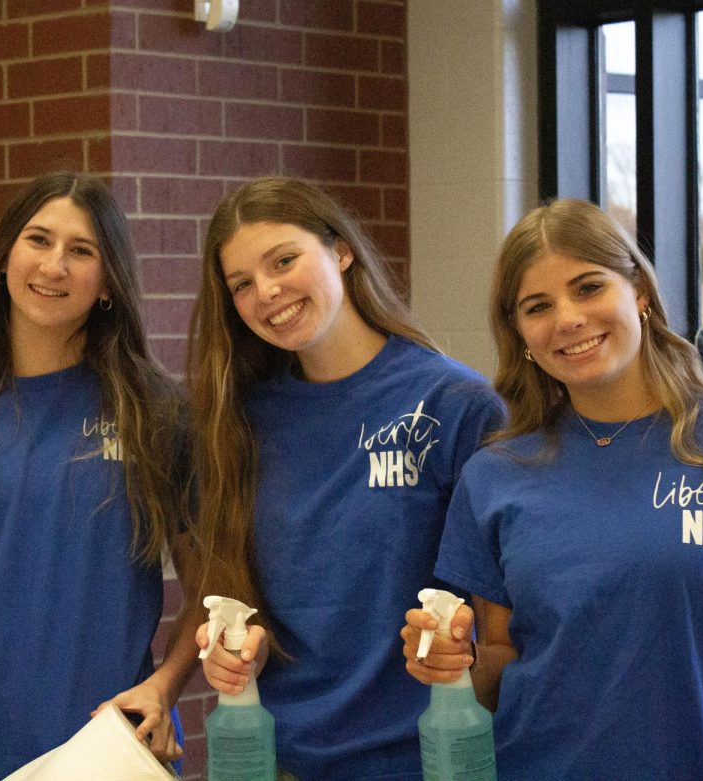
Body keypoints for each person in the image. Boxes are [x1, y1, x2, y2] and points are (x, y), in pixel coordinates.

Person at [403, 198, 703, 780]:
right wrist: (456, 661)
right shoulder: (496, 472)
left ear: (640, 294)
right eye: (538, 306)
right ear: (521, 333)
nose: (568, 319)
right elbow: (502, 662)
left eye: (588, 287)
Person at [0, 172, 200, 780]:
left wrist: (164, 688)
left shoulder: (156, 413)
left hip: (117, 750)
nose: (54, 266)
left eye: (81, 251)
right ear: (4, 259)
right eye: (38, 241)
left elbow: (211, 588)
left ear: (108, 282)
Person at [189, 177, 504, 780]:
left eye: (284, 260)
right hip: (286, 762)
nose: (268, 292)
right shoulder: (242, 421)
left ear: (340, 251)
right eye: (242, 285)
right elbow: (246, 597)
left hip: (430, 760)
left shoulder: (453, 403)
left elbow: (507, 625)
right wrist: (231, 653)